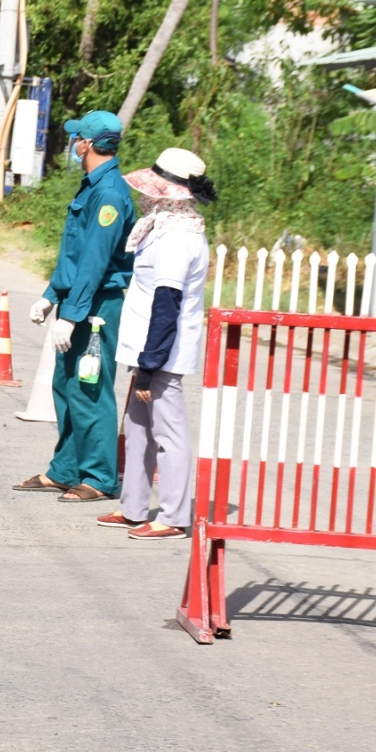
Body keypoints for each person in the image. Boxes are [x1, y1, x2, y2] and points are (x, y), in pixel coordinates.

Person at [15, 110, 138, 503]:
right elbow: (75, 253)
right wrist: (51, 295)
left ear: (86, 143)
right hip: (79, 299)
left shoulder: (109, 194)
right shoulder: (92, 187)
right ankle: (66, 470)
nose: (73, 144)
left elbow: (95, 261)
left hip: (97, 306)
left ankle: (100, 477)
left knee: (90, 389)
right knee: (66, 388)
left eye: (76, 139)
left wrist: (71, 315)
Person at [96, 149, 215, 539]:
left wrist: (149, 366)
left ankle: (174, 516)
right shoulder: (161, 229)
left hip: (161, 354)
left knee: (169, 435)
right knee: (137, 430)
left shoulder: (179, 239)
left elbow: (167, 306)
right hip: (147, 349)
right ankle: (132, 507)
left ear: (169, 194)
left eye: (153, 190)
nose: (145, 196)